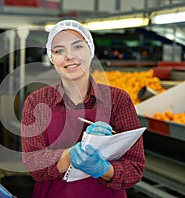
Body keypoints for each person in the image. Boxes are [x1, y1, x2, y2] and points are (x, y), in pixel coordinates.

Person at [21, 19, 145, 198]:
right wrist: (69, 155)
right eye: (59, 51)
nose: (69, 56)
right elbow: (35, 165)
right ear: (51, 57)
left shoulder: (118, 100)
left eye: (77, 47)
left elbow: (135, 168)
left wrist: (102, 168)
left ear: (90, 51)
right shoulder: (37, 101)